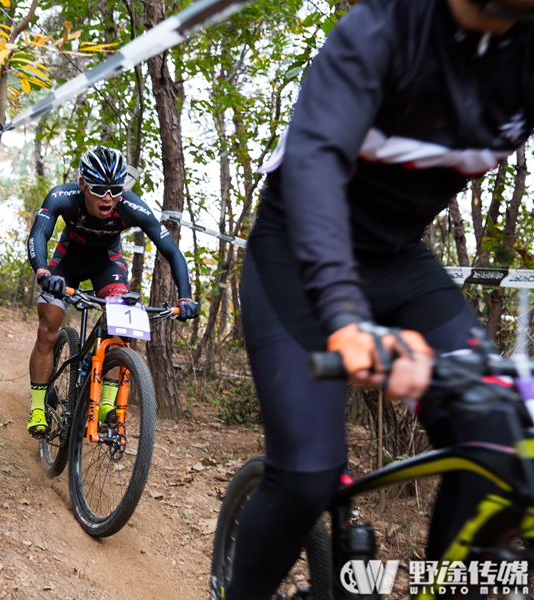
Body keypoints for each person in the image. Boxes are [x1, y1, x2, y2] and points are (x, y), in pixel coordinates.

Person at [227, 0, 534, 598]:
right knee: (308, 476)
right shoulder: (381, 30)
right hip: (294, 251)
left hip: (400, 259)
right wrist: (344, 317)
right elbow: (313, 164)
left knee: (502, 446)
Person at [25, 146, 199, 435]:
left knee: (123, 327)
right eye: (100, 189)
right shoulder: (62, 197)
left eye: (116, 190)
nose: (109, 198)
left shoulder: (131, 205)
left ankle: (106, 403)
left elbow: (171, 251)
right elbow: (39, 233)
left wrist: (186, 296)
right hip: (66, 262)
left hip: (107, 264)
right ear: (82, 185)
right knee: (48, 328)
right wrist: (43, 272)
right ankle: (38, 407)